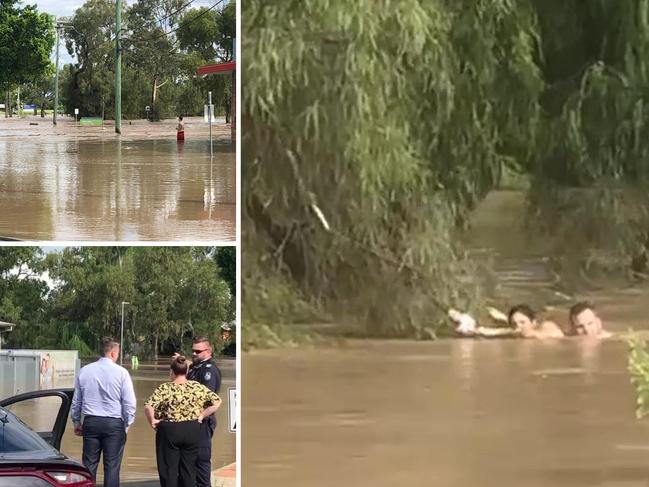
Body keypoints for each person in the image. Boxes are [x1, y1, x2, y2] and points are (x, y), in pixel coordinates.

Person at [144, 356, 222, 487]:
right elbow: (217, 401)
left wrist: (152, 420)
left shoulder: (165, 388)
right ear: (186, 372)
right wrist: (202, 415)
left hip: (170, 430)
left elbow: (148, 406)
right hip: (192, 429)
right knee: (189, 468)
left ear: (171, 372)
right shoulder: (196, 387)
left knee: (168, 469)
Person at [70, 337, 136, 487]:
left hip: (91, 422)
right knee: (112, 466)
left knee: (88, 465)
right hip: (114, 424)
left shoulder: (85, 371)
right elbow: (129, 403)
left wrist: (76, 422)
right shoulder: (122, 373)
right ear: (113, 353)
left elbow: (76, 401)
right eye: (118, 353)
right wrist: (127, 424)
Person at [187, 337, 222, 487]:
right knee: (191, 462)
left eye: (198, 351)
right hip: (192, 422)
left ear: (208, 351)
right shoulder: (196, 368)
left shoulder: (209, 370)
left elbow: (207, 398)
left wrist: (199, 415)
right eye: (193, 350)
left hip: (203, 421)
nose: (194, 353)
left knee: (201, 461)